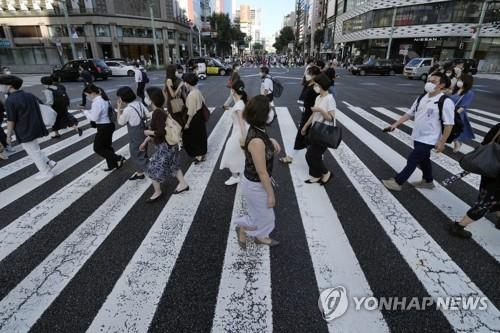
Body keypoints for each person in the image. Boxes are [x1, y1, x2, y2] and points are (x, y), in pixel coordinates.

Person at [382, 72, 455, 191]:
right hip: (418, 135)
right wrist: (395, 125)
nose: (429, 83)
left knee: (413, 159)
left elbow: (449, 124)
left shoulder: (445, 101)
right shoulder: (422, 97)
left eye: (433, 81)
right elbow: (409, 113)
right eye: (429, 80)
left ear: (441, 85)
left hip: (430, 137)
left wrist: (442, 142)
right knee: (424, 159)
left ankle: (397, 182)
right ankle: (428, 181)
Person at [235, 95, 280, 249]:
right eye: (268, 111)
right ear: (262, 115)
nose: (270, 113)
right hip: (255, 184)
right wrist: (270, 194)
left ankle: (261, 236)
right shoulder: (257, 141)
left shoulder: (258, 129)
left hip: (254, 182)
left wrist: (270, 140)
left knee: (261, 214)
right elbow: (261, 172)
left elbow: (260, 141)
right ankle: (243, 228)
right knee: (265, 216)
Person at [449, 123, 500, 238]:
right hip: (497, 178)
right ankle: (458, 227)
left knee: (491, 199)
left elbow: (485, 143)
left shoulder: (498, 126)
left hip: (490, 169)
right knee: (485, 203)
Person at [1, 75, 57, 180]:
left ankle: (46, 172)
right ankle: (49, 163)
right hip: (35, 126)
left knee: (32, 151)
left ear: (9, 85)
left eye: (1, 84)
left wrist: (8, 135)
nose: (1, 87)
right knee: (35, 149)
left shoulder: (10, 100)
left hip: (24, 129)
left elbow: (11, 120)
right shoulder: (28, 95)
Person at [140, 87, 189, 202]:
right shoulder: (160, 110)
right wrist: (145, 141)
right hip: (170, 145)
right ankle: (183, 184)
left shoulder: (157, 113)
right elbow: (160, 128)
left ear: (152, 99)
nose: (145, 99)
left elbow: (161, 131)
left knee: (152, 169)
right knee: (174, 165)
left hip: (164, 147)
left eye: (147, 97)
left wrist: (148, 132)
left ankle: (158, 192)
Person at [280, 65, 321, 164]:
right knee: (309, 139)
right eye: (307, 73)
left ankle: (291, 157)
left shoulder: (316, 88)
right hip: (308, 114)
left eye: (309, 73)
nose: (306, 75)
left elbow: (315, 108)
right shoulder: (310, 85)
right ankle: (317, 158)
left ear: (314, 75)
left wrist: (306, 124)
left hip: (310, 116)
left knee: (301, 137)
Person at [300, 73, 334, 185]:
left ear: (321, 85)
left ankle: (326, 173)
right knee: (315, 155)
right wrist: (305, 126)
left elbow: (331, 118)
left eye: (316, 85)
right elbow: (313, 115)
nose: (315, 87)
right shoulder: (318, 97)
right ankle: (315, 175)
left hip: (324, 132)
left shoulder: (330, 98)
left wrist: (320, 110)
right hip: (315, 129)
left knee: (310, 155)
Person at [82, 84, 125, 171]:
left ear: (92, 93)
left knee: (98, 148)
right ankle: (113, 165)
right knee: (106, 146)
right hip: (109, 125)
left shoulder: (97, 102)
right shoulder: (104, 99)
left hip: (103, 127)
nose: (87, 97)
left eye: (87, 95)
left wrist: (85, 112)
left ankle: (118, 158)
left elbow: (94, 118)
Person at [116, 86, 148, 180]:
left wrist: (119, 108)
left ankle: (153, 172)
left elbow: (120, 122)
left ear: (123, 98)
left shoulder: (128, 110)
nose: (119, 99)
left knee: (136, 154)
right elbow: (147, 114)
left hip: (135, 135)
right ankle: (139, 173)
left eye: (119, 97)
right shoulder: (139, 104)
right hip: (143, 131)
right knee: (142, 152)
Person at [220, 80, 248, 186]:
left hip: (240, 132)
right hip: (239, 131)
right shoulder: (241, 102)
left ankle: (236, 176)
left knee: (230, 152)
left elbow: (242, 123)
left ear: (233, 91)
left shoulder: (239, 105)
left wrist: (244, 138)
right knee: (239, 154)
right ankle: (238, 174)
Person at [182, 73, 208, 164]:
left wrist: (187, 123)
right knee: (200, 136)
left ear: (188, 83)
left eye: (185, 82)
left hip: (194, 118)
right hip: (199, 116)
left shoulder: (192, 94)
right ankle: (201, 154)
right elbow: (204, 101)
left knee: (192, 137)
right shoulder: (197, 91)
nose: (184, 84)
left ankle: (199, 155)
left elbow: (191, 112)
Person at [450, 74, 475, 153]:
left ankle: (457, 142)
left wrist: (455, 115)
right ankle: (456, 142)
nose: (459, 82)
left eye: (461, 80)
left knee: (455, 129)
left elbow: (463, 106)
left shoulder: (469, 93)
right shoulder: (455, 90)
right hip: (449, 111)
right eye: (459, 80)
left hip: (458, 114)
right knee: (448, 128)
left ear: (467, 82)